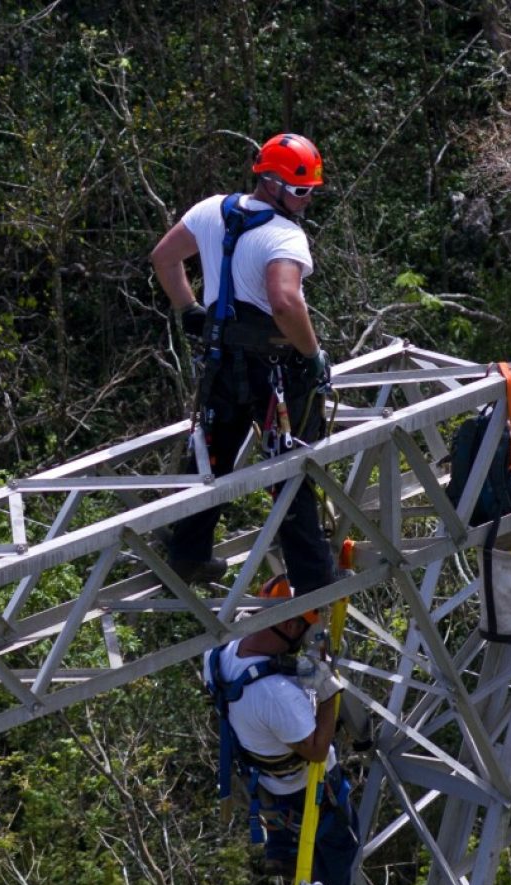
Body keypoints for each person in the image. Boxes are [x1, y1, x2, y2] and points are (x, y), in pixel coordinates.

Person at [150, 132, 335, 592]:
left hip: (220, 363)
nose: (306, 201)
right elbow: (286, 303)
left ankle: (187, 555)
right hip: (273, 371)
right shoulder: (283, 235)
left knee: (211, 460)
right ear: (270, 183)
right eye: (300, 191)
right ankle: (313, 579)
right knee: (291, 469)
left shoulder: (212, 210)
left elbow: (164, 258)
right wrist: (312, 356)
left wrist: (189, 309)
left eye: (310, 191)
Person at [205, 575, 383, 885]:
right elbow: (318, 752)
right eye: (307, 627)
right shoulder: (276, 696)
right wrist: (326, 691)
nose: (310, 636)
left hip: (263, 773)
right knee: (338, 850)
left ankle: (281, 849)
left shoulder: (222, 655)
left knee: (282, 800)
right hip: (302, 784)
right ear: (288, 625)